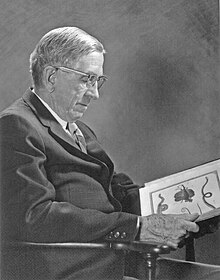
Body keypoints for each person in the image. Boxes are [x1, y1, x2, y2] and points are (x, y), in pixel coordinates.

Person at [0, 26, 218, 280]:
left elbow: (115, 194)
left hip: (113, 259)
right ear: (51, 77)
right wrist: (136, 227)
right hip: (72, 269)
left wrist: (195, 213)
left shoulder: (78, 128)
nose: (95, 94)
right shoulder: (16, 125)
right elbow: (33, 216)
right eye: (86, 79)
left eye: (98, 81)